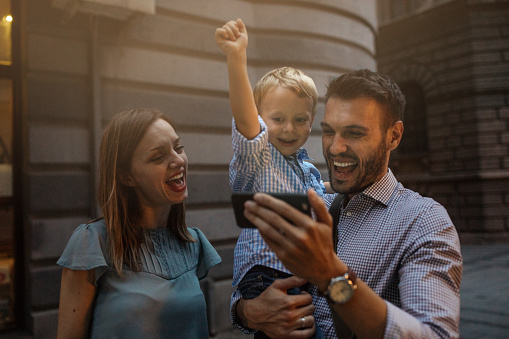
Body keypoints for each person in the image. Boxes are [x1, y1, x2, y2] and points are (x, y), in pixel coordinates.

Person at [233, 69, 463, 338]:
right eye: (329, 131)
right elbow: (255, 283)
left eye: (354, 133)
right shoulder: (315, 199)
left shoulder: (423, 220)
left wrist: (331, 275)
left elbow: (436, 335)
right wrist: (247, 311)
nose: (335, 148)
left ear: (394, 136)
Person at [56, 109, 221, 339]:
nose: (178, 160)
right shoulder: (92, 243)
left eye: (179, 148)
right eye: (158, 157)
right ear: (126, 176)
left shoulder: (192, 243)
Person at [215, 19, 329, 338]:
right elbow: (246, 119)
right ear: (262, 120)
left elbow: (322, 196)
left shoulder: (305, 167)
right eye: (277, 119)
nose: (289, 128)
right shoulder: (260, 156)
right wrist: (236, 59)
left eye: (300, 119)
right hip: (268, 274)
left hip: (301, 271)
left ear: (311, 123)